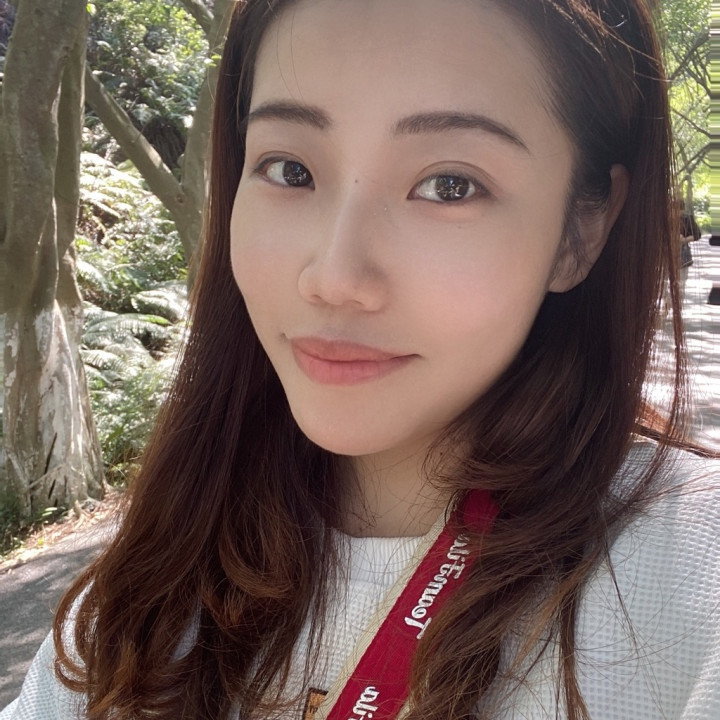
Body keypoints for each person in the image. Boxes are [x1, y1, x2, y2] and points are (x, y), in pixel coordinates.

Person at [3, 0, 719, 718]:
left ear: (581, 230)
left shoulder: (688, 573)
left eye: (450, 185)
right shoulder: (147, 580)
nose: (335, 277)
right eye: (290, 169)